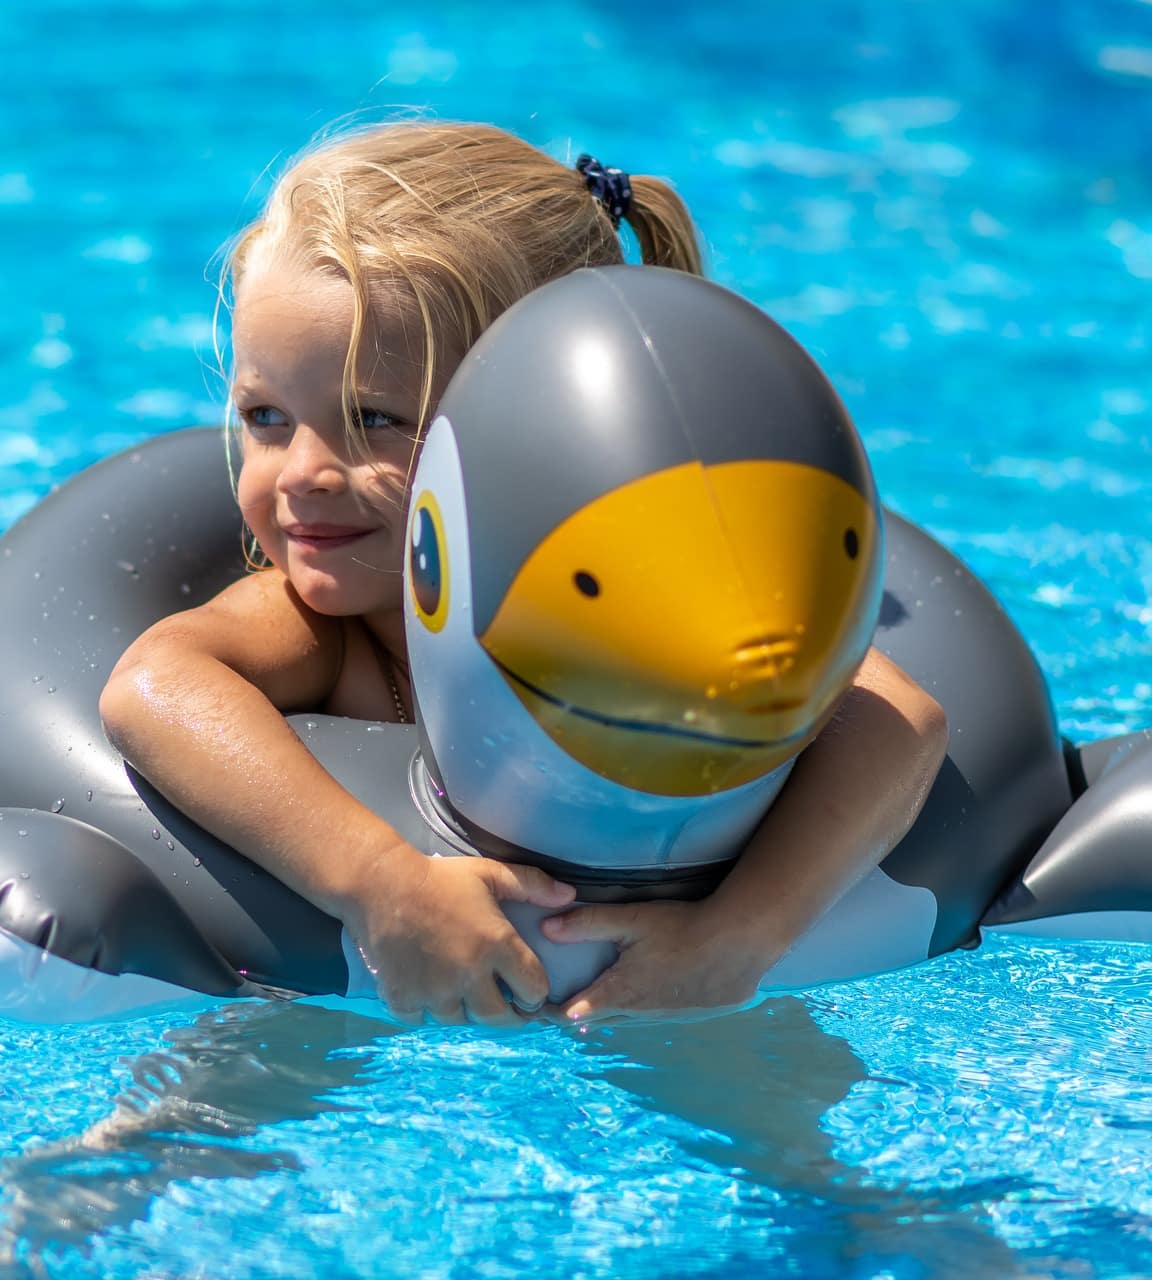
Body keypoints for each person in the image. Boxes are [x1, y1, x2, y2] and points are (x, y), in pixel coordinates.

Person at [98, 120, 949, 1028]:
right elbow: (152, 686)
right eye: (266, 416)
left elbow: (901, 720)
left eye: (376, 418)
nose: (302, 471)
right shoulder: (316, 626)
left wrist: (742, 936)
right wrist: (381, 883)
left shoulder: (637, 619)